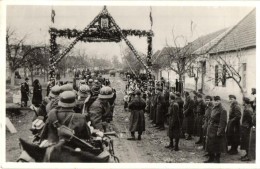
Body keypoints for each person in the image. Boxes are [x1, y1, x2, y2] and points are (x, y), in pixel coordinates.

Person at [205, 96, 227, 163]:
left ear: (220, 101)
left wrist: (219, 132)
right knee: (210, 144)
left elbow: (223, 122)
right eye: (215, 101)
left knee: (217, 145)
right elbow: (211, 118)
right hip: (211, 128)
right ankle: (211, 158)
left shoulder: (223, 110)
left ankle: (217, 159)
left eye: (217, 101)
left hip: (217, 129)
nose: (216, 102)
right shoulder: (214, 107)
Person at [240, 97, 253, 161]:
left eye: (242, 101)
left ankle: (248, 156)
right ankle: (247, 154)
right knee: (245, 141)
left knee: (246, 142)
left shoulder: (248, 109)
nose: (242, 102)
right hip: (245, 127)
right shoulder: (246, 108)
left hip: (246, 128)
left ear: (244, 102)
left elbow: (251, 120)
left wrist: (248, 126)